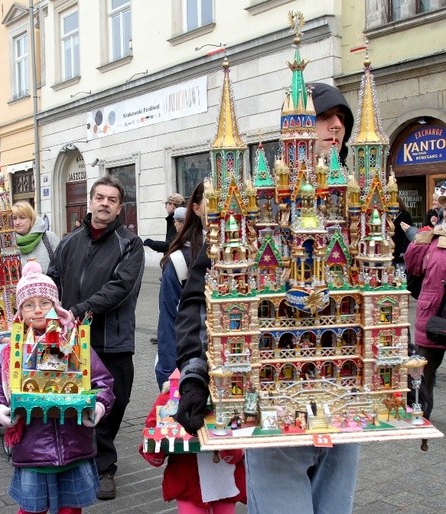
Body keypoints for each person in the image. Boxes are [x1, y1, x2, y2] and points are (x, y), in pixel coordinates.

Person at [175, 81, 359, 514]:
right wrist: (196, 373)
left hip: (344, 406)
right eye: (323, 121)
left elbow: (377, 289)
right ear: (294, 131)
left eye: (342, 126)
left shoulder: (350, 203)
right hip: (273, 405)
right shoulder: (253, 211)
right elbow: (200, 303)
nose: (335, 130)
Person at [0, 260, 115, 514]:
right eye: (29, 305)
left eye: (45, 303)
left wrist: (97, 406)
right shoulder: (8, 354)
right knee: (31, 509)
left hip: (74, 446)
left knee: (71, 509)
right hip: (32, 451)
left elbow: (102, 382)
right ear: (20, 311)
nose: (38, 310)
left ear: (56, 307)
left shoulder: (75, 345)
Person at [48, 175, 145, 500]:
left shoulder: (130, 244)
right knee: (81, 399)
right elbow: (54, 280)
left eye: (111, 199)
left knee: (116, 401)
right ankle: (103, 467)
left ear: (119, 207)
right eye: (99, 197)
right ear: (90, 201)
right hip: (74, 339)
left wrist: (81, 308)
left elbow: (121, 287)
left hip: (114, 339)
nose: (104, 203)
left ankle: (97, 453)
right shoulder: (69, 241)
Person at [139, 380, 246, 513]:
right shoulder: (172, 396)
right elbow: (152, 435)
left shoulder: (234, 394)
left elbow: (246, 436)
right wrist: (157, 446)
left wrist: (230, 447)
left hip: (225, 478)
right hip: (188, 480)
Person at [154, 182, 206, 390]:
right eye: (212, 202)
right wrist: (169, 376)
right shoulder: (179, 261)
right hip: (192, 369)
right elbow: (168, 322)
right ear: (196, 207)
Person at [404, 219, 446, 419]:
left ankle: (423, 413)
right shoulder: (432, 239)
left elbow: (413, 267)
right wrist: (420, 238)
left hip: (431, 312)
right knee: (423, 371)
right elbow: (413, 265)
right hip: (432, 315)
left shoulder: (433, 241)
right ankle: (422, 414)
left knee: (424, 371)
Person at [11, 200, 61, 271]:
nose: (17, 222)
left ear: (31, 219)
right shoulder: (7, 243)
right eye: (14, 218)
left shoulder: (49, 238)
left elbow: (63, 265)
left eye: (22, 218)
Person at [393, 198, 413, 266]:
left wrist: (404, 250)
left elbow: (407, 233)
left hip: (400, 247)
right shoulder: (387, 215)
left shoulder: (405, 215)